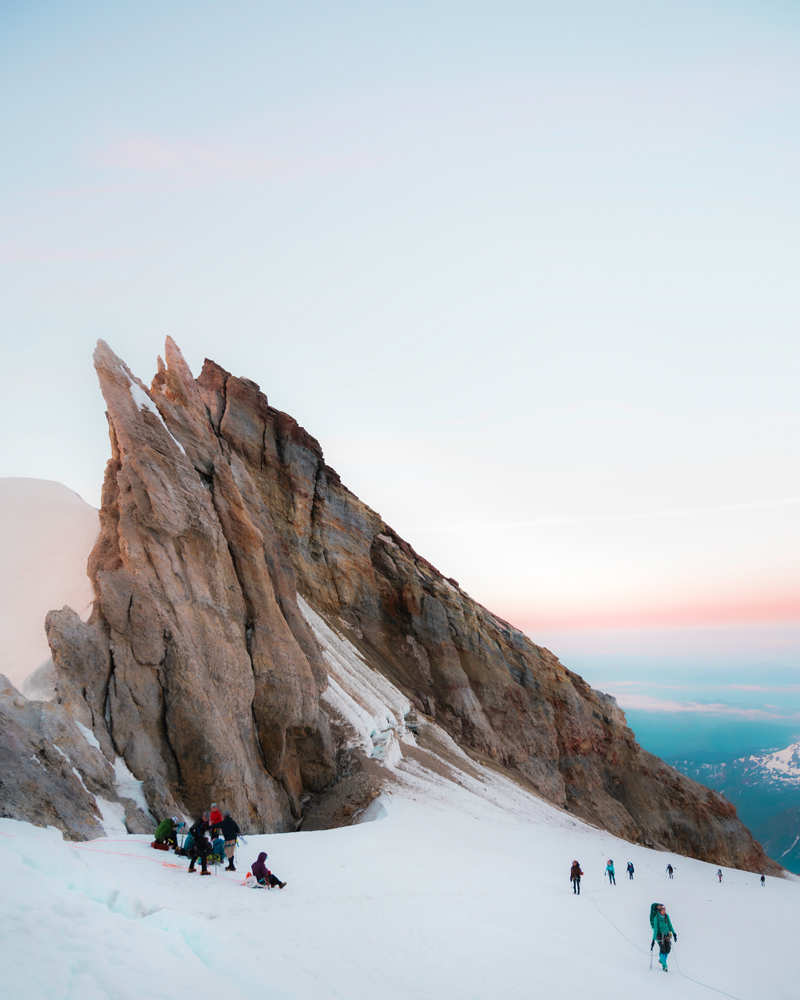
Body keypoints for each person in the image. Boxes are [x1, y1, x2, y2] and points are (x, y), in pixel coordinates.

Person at [651, 903, 676, 972]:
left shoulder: (666, 917)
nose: (664, 911)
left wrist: (674, 933)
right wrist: (653, 940)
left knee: (668, 950)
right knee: (663, 950)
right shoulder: (656, 918)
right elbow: (655, 929)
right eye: (663, 910)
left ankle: (661, 960)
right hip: (659, 936)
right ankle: (664, 965)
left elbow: (670, 925)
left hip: (666, 935)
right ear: (659, 911)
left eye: (664, 910)